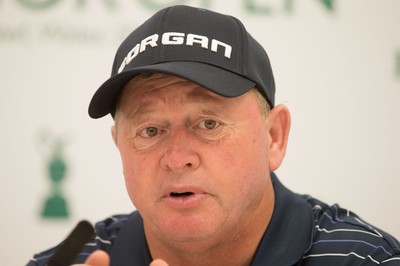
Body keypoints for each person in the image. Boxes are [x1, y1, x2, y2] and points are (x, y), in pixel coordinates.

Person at [27, 5, 400, 266]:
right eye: (150, 130)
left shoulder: (366, 260)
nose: (177, 157)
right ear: (119, 146)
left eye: (208, 124)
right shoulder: (69, 263)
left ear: (273, 137)